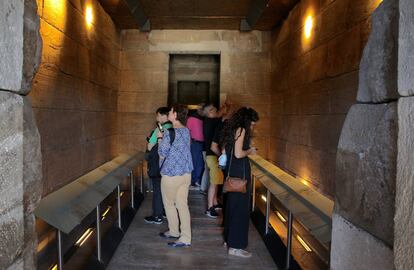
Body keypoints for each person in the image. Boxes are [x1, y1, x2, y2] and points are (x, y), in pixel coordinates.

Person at [219, 107, 259, 258]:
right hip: (240, 173)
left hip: (233, 172)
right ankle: (235, 247)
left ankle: (228, 240)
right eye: (253, 123)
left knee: (232, 207)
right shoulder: (241, 130)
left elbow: (228, 150)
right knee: (240, 210)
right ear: (247, 120)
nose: (253, 126)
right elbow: (238, 153)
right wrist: (250, 151)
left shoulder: (233, 129)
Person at [157, 104, 193, 248]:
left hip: (171, 175)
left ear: (176, 115)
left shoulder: (168, 132)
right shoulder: (186, 131)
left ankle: (174, 231)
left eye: (171, 111)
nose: (169, 113)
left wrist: (160, 139)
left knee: (169, 204)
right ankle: (185, 237)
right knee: (182, 205)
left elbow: (162, 153)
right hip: (186, 174)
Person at [144, 107, 172, 225]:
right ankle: (166, 212)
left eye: (158, 115)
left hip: (158, 164)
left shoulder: (158, 130)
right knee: (167, 190)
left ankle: (157, 216)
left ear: (163, 116)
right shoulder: (174, 129)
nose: (156, 118)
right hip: (170, 165)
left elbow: (150, 147)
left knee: (157, 190)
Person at [202, 104, 223, 218]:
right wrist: (221, 156)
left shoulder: (208, 122)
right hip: (213, 155)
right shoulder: (213, 122)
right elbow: (213, 146)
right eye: (216, 110)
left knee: (216, 181)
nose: (218, 112)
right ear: (210, 112)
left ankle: (215, 203)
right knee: (214, 183)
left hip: (211, 155)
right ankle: (210, 208)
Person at [186, 105, 205, 189]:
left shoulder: (204, 119)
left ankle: (197, 180)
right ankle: (193, 181)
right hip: (194, 143)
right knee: (194, 162)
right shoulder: (191, 119)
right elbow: (187, 132)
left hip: (202, 143)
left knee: (200, 162)